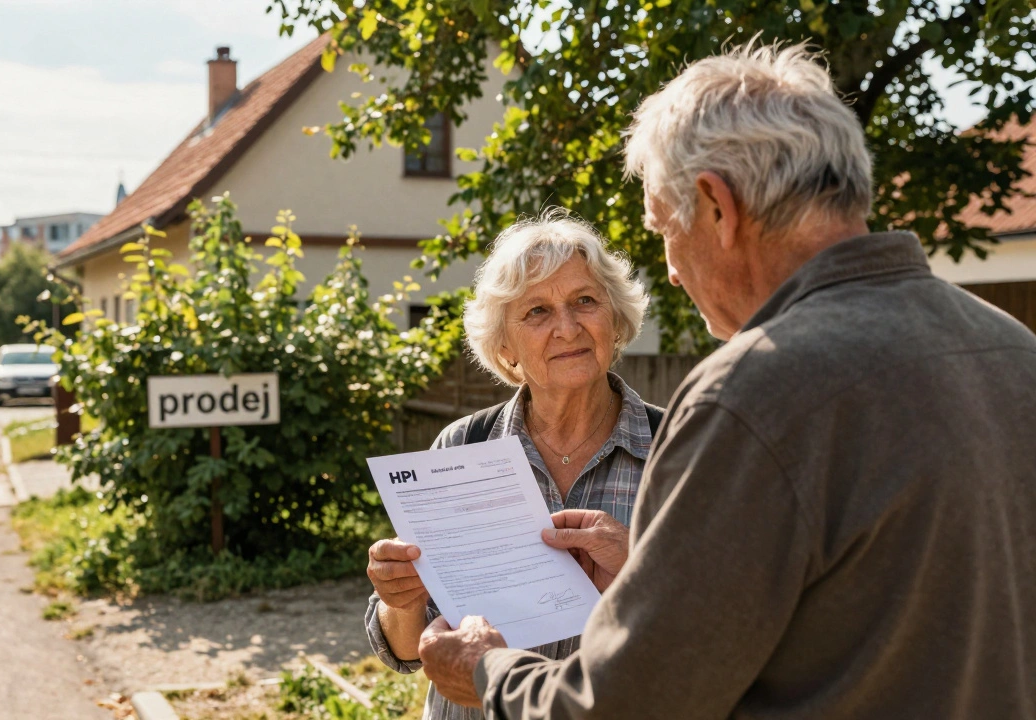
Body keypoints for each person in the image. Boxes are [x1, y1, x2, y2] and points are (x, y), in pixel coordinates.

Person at [417, 42, 1036, 719]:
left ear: (717, 206)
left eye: (663, 227)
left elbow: (627, 706)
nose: (671, 270)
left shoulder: (752, 393)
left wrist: (488, 670)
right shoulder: (1012, 349)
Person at [365, 210, 657, 720]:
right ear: (505, 345)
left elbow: (730, 628)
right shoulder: (461, 447)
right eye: (537, 311)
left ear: (615, 320)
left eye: (585, 301)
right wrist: (400, 598)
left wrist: (643, 570)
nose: (567, 327)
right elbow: (408, 649)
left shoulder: (675, 448)